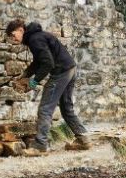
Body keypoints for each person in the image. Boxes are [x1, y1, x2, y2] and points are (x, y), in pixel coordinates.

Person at [5, 19, 91, 152]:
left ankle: (40, 144)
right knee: (66, 108)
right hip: (70, 69)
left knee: (45, 108)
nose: (12, 38)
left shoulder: (34, 39)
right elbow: (39, 60)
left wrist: (34, 82)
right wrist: (26, 74)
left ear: (21, 30)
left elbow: (48, 63)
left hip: (61, 72)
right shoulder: (37, 37)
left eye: (13, 34)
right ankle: (83, 140)